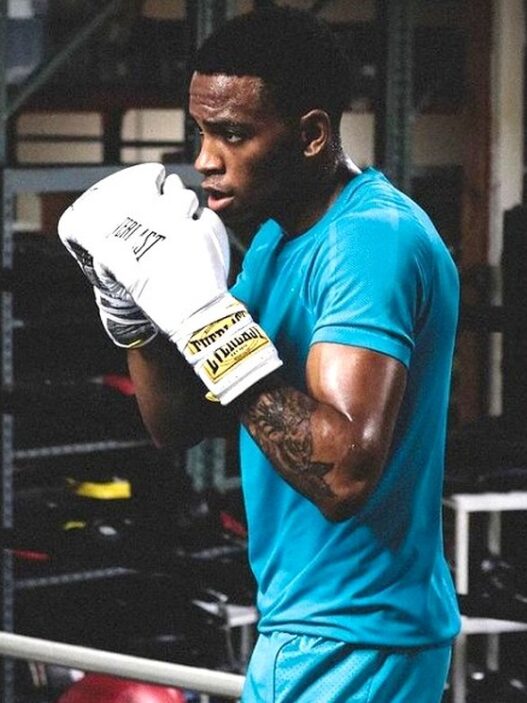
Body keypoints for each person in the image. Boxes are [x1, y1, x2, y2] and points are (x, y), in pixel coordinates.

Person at [58, 6, 461, 702]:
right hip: (297, 625)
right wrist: (137, 320)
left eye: (233, 134)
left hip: (364, 638)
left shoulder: (372, 240)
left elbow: (343, 476)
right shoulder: (276, 238)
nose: (205, 159)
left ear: (311, 135)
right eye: (201, 132)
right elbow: (180, 423)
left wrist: (205, 320)